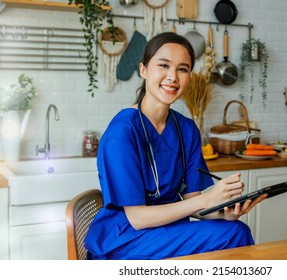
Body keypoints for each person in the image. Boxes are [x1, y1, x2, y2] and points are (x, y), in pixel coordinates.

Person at [84, 32, 267, 260]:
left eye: (182, 69)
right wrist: (207, 200)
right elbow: (137, 218)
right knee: (234, 236)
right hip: (125, 240)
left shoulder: (187, 130)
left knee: (234, 229)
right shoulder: (122, 132)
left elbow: (194, 203)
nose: (173, 77)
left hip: (168, 232)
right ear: (143, 70)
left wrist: (225, 212)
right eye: (163, 65)